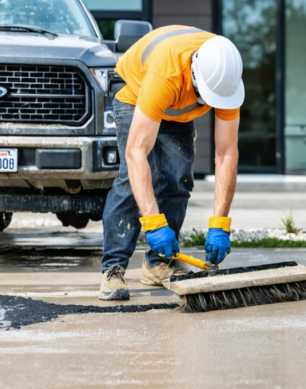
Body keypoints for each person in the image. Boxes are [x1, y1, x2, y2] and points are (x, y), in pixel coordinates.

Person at [99, 25, 244, 300]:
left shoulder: (226, 78)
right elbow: (135, 153)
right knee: (132, 183)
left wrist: (221, 223)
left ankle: (158, 264)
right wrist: (153, 224)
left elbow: (226, 152)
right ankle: (113, 268)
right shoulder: (166, 74)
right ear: (195, 76)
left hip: (177, 104)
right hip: (135, 90)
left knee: (178, 178)